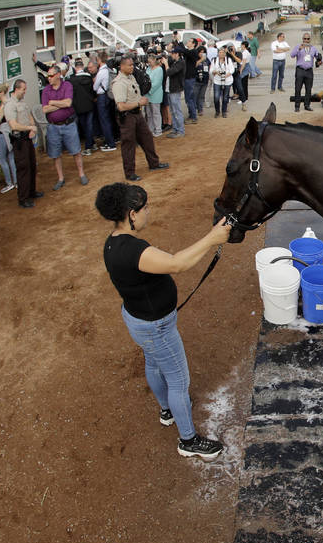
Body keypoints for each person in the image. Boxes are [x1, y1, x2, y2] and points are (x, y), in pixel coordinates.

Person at [96, 183, 231, 460]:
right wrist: (212, 238)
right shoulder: (134, 251)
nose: (149, 212)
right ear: (132, 214)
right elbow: (177, 263)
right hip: (156, 327)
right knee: (179, 381)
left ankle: (167, 410)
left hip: (138, 321)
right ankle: (188, 440)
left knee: (153, 363)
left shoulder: (112, 243)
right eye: (145, 208)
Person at [112, 57, 169, 182]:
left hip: (137, 114)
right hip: (127, 117)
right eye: (129, 65)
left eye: (132, 65)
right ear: (121, 67)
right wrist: (139, 103)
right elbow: (121, 106)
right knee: (129, 145)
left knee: (147, 138)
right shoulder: (119, 83)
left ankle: (154, 163)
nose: (132, 67)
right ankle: (129, 173)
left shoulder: (131, 77)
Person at [41, 64, 88, 191]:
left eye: (51, 76)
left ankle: (81, 174)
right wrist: (61, 104)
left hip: (69, 124)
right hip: (53, 126)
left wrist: (53, 102)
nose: (48, 78)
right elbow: (45, 109)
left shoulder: (67, 85)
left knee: (76, 151)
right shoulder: (46, 90)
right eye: (48, 76)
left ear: (58, 75)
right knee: (56, 154)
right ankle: (60, 178)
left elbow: (68, 103)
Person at [3, 79, 41, 208]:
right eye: (23, 89)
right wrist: (29, 129)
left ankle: (31, 192)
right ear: (17, 89)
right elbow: (14, 125)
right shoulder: (10, 105)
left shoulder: (22, 102)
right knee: (23, 168)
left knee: (32, 165)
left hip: (27, 137)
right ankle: (23, 198)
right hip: (19, 140)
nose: (25, 91)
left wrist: (32, 127)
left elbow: (29, 115)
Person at [68, 60, 98, 156]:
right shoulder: (89, 77)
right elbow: (93, 90)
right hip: (90, 104)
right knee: (89, 125)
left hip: (79, 107)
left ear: (76, 68)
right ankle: (92, 144)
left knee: (85, 126)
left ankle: (88, 147)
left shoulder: (72, 80)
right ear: (82, 66)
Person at [92, 52, 119, 152]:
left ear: (99, 60)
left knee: (104, 120)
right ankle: (112, 140)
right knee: (109, 119)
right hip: (109, 95)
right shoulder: (109, 70)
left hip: (102, 96)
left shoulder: (101, 72)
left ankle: (110, 143)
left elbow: (95, 87)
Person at [290, 32, 320, 113]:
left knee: (308, 89)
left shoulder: (313, 48)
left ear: (310, 40)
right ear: (302, 39)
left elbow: (318, 57)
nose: (306, 40)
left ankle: (307, 105)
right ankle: (297, 106)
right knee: (298, 88)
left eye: (308, 39)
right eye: (305, 38)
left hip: (309, 71)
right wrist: (299, 49)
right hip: (300, 70)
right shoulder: (298, 46)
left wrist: (319, 61)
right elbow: (292, 55)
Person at [163, 46, 187, 136]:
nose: (171, 55)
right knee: (173, 111)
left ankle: (180, 131)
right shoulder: (175, 62)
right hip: (170, 89)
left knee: (177, 111)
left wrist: (166, 64)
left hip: (175, 89)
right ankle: (175, 129)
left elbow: (169, 72)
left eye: (173, 53)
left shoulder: (181, 63)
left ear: (177, 54)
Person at [210, 48, 236, 118]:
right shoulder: (215, 60)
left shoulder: (228, 60)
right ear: (218, 53)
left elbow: (232, 69)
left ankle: (224, 111)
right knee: (216, 97)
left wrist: (227, 74)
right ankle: (217, 111)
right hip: (217, 80)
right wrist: (215, 72)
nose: (221, 54)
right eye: (220, 52)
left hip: (227, 80)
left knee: (225, 97)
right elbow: (211, 70)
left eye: (223, 52)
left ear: (225, 53)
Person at [143, 53, 165, 137]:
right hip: (147, 94)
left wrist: (149, 90)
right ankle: (150, 130)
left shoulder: (159, 69)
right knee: (148, 113)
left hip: (155, 94)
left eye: (150, 62)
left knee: (156, 113)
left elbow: (157, 83)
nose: (149, 63)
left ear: (154, 61)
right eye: (148, 62)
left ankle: (158, 130)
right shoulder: (148, 68)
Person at [194, 47, 210, 115]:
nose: (202, 54)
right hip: (197, 80)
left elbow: (210, 66)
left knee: (201, 96)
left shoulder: (207, 60)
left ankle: (200, 109)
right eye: (200, 52)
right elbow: (194, 65)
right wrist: (201, 60)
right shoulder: (196, 59)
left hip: (205, 80)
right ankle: (193, 110)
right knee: (195, 96)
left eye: (203, 52)